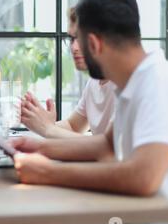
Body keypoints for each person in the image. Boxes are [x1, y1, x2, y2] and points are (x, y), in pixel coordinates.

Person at [10, 0, 168, 224]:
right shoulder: (134, 83)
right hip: (136, 217)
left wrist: (47, 173)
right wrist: (38, 147)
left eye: (78, 39)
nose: (75, 48)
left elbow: (144, 177)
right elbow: (106, 145)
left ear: (94, 44)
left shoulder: (159, 82)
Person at [20, 7, 116, 139]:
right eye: (71, 39)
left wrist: (48, 128)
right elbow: (73, 126)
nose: (74, 48)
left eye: (81, 37)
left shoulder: (126, 84)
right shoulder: (94, 82)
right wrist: (41, 124)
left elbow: (107, 149)